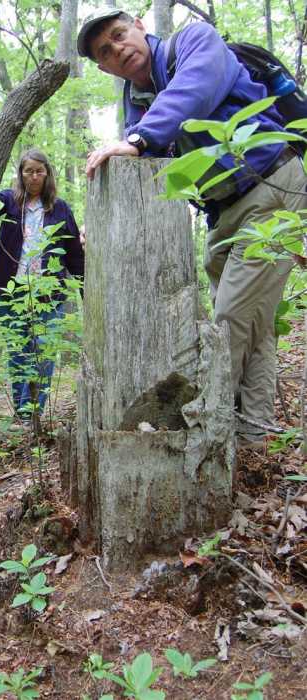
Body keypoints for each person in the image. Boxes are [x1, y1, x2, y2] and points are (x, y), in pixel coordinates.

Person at [77, 9, 307, 448]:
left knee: (229, 321)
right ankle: (253, 436)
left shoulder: (195, 43)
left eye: (120, 35)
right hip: (222, 214)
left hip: (273, 185)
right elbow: (143, 171)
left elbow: (194, 91)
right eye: (105, 51)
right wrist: (99, 227)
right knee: (251, 324)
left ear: (141, 27)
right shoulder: (138, 103)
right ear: (103, 67)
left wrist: (140, 139)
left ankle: (205, 430)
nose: (118, 49)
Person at [0, 150, 85, 416]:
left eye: (39, 171)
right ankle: (23, 417)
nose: (34, 177)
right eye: (28, 171)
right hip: (12, 292)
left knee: (44, 353)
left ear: (47, 173)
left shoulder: (60, 209)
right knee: (18, 355)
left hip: (49, 293)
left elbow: (73, 255)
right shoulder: (9, 202)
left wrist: (86, 291)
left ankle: (28, 415)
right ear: (21, 174)